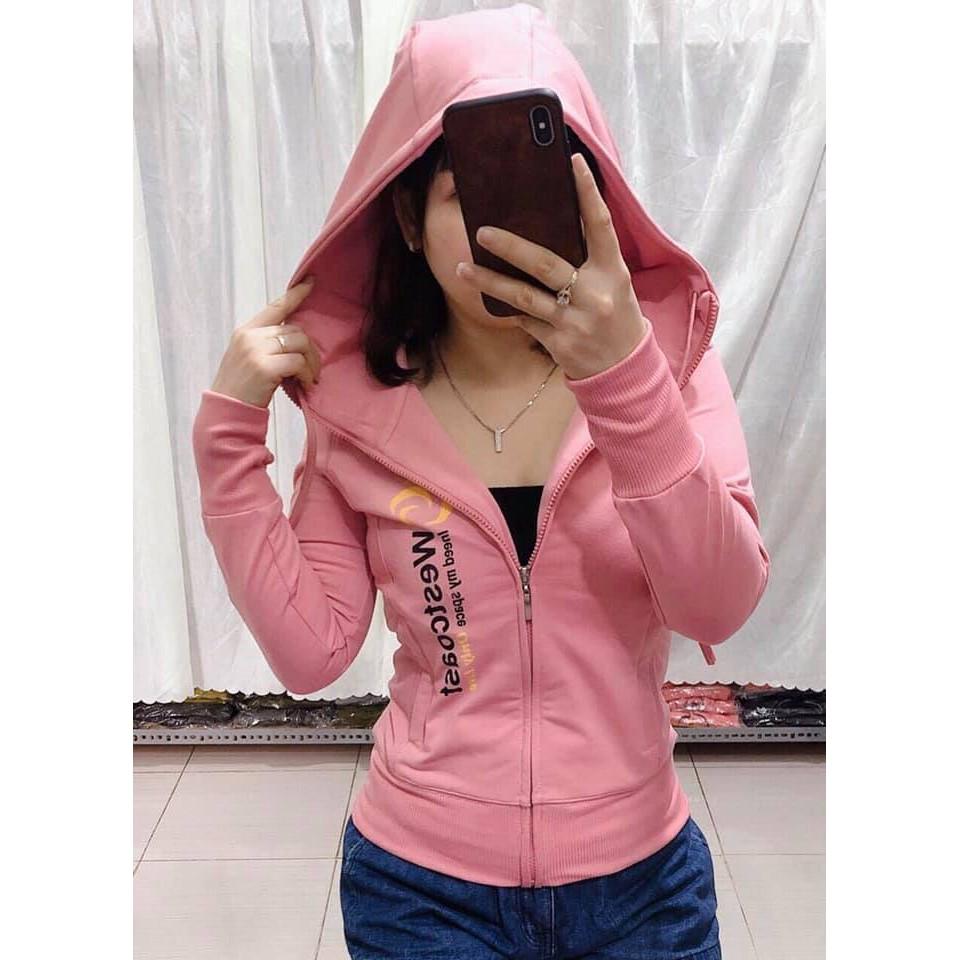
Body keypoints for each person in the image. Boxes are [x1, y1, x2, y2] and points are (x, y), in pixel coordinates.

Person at [192, 4, 770, 957]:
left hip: (642, 886)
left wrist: (623, 378)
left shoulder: (668, 368)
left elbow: (718, 604)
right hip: (421, 890)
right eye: (465, 194)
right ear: (407, 220)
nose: (501, 228)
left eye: (533, 188)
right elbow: (312, 654)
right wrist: (227, 439)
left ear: (592, 201)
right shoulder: (360, 411)